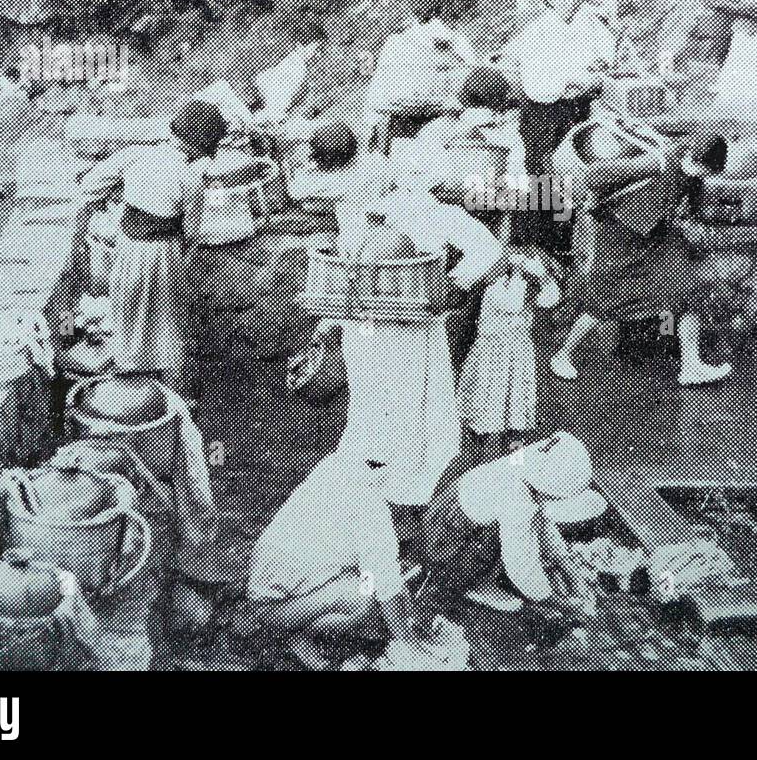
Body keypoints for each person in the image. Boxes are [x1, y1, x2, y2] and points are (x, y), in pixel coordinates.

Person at [324, 158, 505, 506]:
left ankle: (387, 478)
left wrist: (456, 286)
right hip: (393, 327)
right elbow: (490, 251)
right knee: (401, 401)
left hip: (385, 325)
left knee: (384, 399)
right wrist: (457, 285)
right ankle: (397, 478)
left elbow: (490, 254)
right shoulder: (431, 213)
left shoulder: (381, 212)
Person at [550, 123, 731, 386]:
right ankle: (563, 355)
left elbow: (693, 207)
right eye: (704, 170)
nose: (703, 176)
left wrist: (694, 225)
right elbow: (596, 176)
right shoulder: (658, 162)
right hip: (621, 233)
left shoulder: (694, 173)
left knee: (688, 292)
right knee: (605, 297)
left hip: (657, 234)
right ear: (693, 156)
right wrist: (590, 199)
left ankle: (691, 366)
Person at [241, 437, 441, 669]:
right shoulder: (375, 510)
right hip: (270, 609)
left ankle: (296, 637)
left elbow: (367, 566)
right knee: (366, 601)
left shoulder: (344, 464)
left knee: (374, 589)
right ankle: (288, 637)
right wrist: (411, 644)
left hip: (276, 590)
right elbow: (384, 587)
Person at [78, 99, 227, 393]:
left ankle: (129, 381)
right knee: (167, 323)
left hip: (127, 251)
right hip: (164, 256)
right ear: (198, 147)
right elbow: (192, 233)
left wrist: (123, 191)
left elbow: (89, 186)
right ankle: (171, 394)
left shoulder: (133, 156)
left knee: (128, 313)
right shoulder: (191, 177)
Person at [420, 432, 600, 615]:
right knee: (501, 542)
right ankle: (470, 585)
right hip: (445, 542)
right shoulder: (517, 500)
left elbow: (542, 523)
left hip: (450, 515)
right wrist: (552, 599)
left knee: (511, 531)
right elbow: (520, 564)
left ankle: (479, 576)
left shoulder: (528, 465)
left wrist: (565, 562)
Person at [499, 0, 606, 252]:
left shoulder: (581, 27)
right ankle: (535, 248)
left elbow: (594, 63)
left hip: (573, 111)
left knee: (570, 178)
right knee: (543, 180)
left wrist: (590, 75)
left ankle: (563, 245)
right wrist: (579, 80)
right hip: (544, 115)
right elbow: (542, 83)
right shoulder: (538, 32)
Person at [457, 248, 559, 464]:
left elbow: (551, 299)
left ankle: (516, 464)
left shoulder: (528, 286)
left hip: (517, 358)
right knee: (487, 417)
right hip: (492, 358)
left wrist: (542, 276)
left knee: (517, 419)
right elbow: (512, 304)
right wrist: (523, 272)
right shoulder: (497, 286)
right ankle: (483, 467)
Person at [364, 0, 478, 150]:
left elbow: (469, 84)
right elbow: (385, 99)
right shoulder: (400, 44)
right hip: (414, 124)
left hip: (420, 121)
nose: (453, 28)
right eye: (449, 20)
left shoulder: (452, 44)